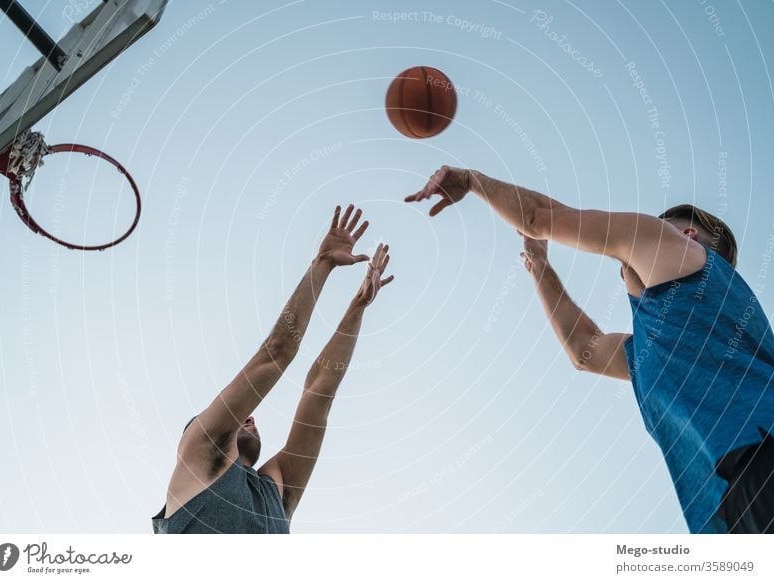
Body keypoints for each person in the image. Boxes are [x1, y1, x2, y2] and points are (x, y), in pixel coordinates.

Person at [406, 166, 774, 533]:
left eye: (659, 223)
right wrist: (540, 266)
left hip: (758, 461)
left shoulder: (682, 254)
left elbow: (539, 218)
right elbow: (583, 349)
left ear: (688, 235)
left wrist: (473, 181)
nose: (644, 231)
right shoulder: (656, 342)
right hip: (725, 507)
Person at [152, 205, 393, 533]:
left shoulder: (277, 493)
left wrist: (358, 307)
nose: (249, 417)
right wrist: (322, 264)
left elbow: (320, 390)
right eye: (238, 417)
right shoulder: (201, 449)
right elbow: (276, 352)